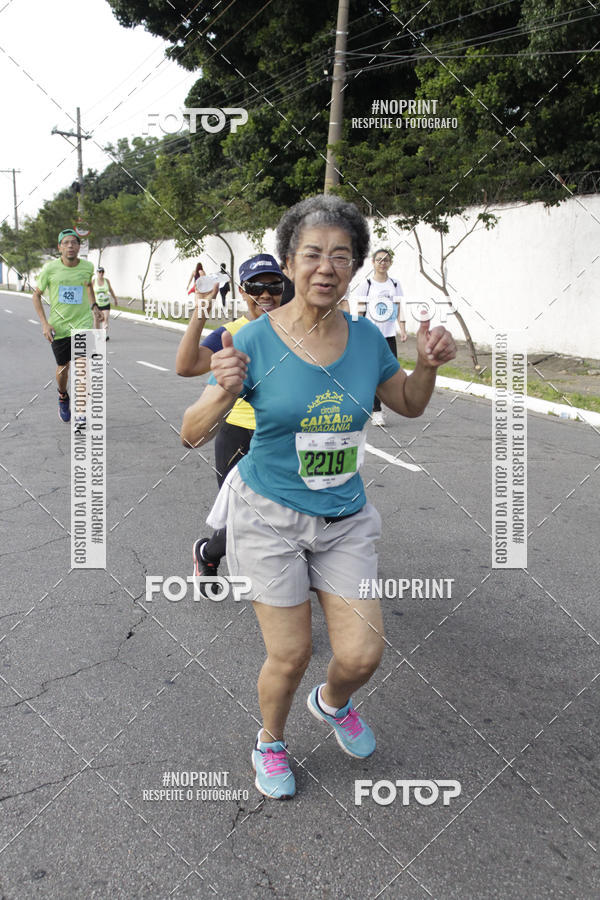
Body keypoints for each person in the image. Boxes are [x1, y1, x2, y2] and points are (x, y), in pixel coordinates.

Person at [181, 195, 456, 801]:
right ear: (288, 263)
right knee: (292, 651)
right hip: (268, 514)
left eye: (341, 255)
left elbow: (407, 403)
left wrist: (427, 366)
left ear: (356, 267)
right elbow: (191, 433)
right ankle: (270, 742)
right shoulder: (252, 338)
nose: (326, 266)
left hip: (344, 516)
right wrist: (220, 395)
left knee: (361, 655)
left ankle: (332, 703)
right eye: (312, 254)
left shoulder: (365, 341)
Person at [176, 254, 285, 592]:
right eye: (256, 287)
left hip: (283, 434)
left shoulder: (295, 329)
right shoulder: (231, 333)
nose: (265, 294)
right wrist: (202, 309)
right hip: (238, 433)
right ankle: (208, 553)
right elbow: (186, 365)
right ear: (241, 290)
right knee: (243, 519)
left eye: (273, 286)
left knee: (287, 513)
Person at [32, 228, 101, 423]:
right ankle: (62, 395)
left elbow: (88, 286)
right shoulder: (50, 269)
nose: (70, 246)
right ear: (59, 247)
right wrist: (45, 324)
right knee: (63, 369)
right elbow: (36, 295)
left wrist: (94, 305)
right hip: (59, 327)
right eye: (66, 243)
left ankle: (81, 410)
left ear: (79, 247)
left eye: (74, 242)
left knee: (82, 367)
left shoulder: (87, 266)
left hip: (83, 324)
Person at [353, 248, 407, 426]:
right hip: (371, 336)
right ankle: (376, 411)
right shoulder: (367, 284)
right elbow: (360, 310)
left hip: (389, 335)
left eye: (385, 260)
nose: (382, 263)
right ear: (373, 263)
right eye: (379, 260)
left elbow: (399, 309)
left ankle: (370, 402)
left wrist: (403, 329)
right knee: (374, 373)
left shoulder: (395, 284)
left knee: (390, 373)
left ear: (390, 263)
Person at [92, 266, 118, 339]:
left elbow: (110, 290)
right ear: (97, 273)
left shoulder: (107, 281)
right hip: (96, 304)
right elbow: (90, 292)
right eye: (99, 272)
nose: (101, 273)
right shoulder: (94, 281)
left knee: (105, 318)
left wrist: (115, 299)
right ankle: (97, 334)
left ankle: (104, 334)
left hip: (105, 303)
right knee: (96, 319)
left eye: (102, 272)